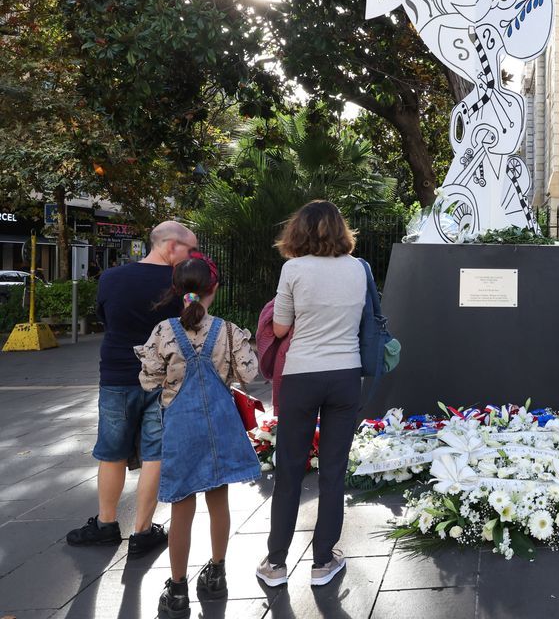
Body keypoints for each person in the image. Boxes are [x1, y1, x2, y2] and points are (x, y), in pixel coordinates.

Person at [137, 253, 260, 618]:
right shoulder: (228, 330)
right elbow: (249, 374)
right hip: (221, 426)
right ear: (214, 289)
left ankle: (177, 590)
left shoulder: (163, 331)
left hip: (181, 428)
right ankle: (217, 573)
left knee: (182, 507)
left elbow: (148, 380)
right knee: (218, 500)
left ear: (177, 290)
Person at [66, 221, 197, 556]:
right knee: (155, 452)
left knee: (112, 451)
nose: (193, 256)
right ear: (171, 247)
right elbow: (191, 328)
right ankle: (142, 531)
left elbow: (106, 319)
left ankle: (106, 525)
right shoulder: (181, 285)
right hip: (165, 377)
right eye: (190, 250)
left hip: (117, 375)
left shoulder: (110, 278)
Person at [256, 201, 365, 588]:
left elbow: (281, 328)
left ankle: (276, 563)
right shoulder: (359, 269)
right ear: (340, 229)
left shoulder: (293, 269)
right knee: (334, 470)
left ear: (298, 230)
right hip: (346, 375)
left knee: (289, 470)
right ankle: (323, 561)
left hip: (302, 374)